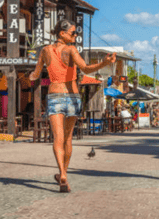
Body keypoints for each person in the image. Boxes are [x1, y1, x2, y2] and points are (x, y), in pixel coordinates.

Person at [29, 19, 116, 192]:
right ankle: (64, 175)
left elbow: (36, 74)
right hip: (72, 97)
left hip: (54, 95)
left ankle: (62, 173)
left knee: (57, 138)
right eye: (73, 33)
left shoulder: (45, 51)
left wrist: (30, 77)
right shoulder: (71, 50)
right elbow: (86, 68)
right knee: (68, 139)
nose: (76, 35)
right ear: (62, 33)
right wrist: (105, 63)